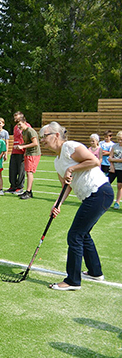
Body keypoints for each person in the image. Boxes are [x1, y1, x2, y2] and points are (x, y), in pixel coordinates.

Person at [39, 121, 113, 291]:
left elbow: (94, 161)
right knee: (83, 233)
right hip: (92, 196)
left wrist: (72, 169)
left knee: (75, 235)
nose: (42, 140)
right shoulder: (57, 162)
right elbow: (67, 186)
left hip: (100, 191)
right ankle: (95, 272)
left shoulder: (69, 147)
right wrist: (57, 204)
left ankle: (73, 280)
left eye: (45, 136)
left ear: (56, 135)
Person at [14, 117, 40, 200]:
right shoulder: (24, 132)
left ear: (25, 122)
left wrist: (23, 146)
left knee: (29, 172)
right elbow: (27, 142)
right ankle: (28, 191)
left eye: (20, 124)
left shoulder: (30, 131)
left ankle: (28, 191)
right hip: (28, 153)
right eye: (18, 125)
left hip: (33, 153)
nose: (19, 126)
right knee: (28, 171)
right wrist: (20, 146)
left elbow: (35, 143)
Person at [7, 112, 27, 194]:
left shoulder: (27, 126)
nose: (15, 119)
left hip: (22, 152)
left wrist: (24, 148)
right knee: (12, 169)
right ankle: (13, 186)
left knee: (21, 169)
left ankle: (19, 187)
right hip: (14, 151)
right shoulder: (15, 127)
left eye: (16, 117)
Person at [107, 130, 122, 210]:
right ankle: (106, 200)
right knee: (107, 183)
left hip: (121, 169)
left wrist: (113, 159)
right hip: (114, 169)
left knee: (120, 186)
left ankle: (117, 202)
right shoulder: (115, 146)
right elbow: (110, 157)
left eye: (121, 139)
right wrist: (112, 165)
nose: (119, 141)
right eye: (118, 139)